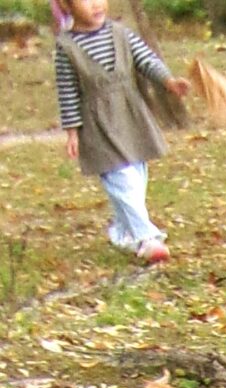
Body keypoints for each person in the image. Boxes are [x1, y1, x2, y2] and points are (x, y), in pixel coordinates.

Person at [53, 0, 188, 268]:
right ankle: (147, 238)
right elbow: (67, 92)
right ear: (66, 5)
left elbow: (146, 60)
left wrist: (168, 81)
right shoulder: (66, 48)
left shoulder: (121, 33)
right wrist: (72, 132)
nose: (96, 4)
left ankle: (123, 230)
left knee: (136, 175)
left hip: (130, 115)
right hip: (98, 124)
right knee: (121, 179)